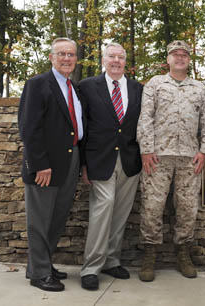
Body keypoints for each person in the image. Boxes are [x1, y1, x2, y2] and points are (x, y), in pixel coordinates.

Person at [137, 40, 205, 281]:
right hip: (158, 157)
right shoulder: (155, 85)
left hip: (189, 158)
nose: (180, 58)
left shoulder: (200, 89)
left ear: (189, 60)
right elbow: (145, 119)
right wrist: (146, 150)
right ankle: (149, 255)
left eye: (184, 55)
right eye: (175, 54)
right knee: (152, 206)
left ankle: (184, 253)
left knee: (188, 208)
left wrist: (204, 151)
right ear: (168, 59)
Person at [18, 37, 83, 292]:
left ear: (76, 58)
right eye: (61, 54)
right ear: (51, 57)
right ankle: (40, 273)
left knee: (56, 218)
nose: (67, 58)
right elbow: (29, 129)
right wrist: (39, 164)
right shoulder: (37, 84)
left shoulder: (73, 87)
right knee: (39, 220)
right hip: (46, 164)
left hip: (70, 160)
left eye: (71, 54)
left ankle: (41, 264)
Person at [78, 43, 143, 290]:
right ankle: (91, 267)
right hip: (99, 159)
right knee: (102, 209)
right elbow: (82, 127)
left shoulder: (138, 89)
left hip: (130, 160)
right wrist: (83, 163)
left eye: (121, 57)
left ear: (126, 62)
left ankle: (112, 260)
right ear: (103, 60)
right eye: (111, 56)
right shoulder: (87, 86)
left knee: (121, 212)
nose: (116, 61)